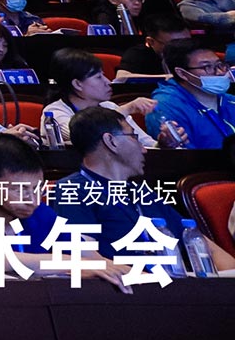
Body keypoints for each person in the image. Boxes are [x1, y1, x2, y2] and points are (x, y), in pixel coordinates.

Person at [53, 105, 235, 275]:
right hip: (127, 295)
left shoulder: (142, 192)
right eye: (134, 137)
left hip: (174, 288)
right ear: (111, 141)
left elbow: (200, 243)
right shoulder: (73, 190)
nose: (144, 149)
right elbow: (84, 261)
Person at [0, 132, 126, 283]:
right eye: (19, 190)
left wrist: (138, 276)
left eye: (37, 188)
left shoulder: (39, 211)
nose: (32, 200)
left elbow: (93, 259)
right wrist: (71, 264)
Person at [40, 49, 154, 149]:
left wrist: (163, 143)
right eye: (99, 77)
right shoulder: (54, 113)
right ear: (77, 84)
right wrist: (126, 109)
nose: (108, 82)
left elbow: (147, 144)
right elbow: (85, 136)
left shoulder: (109, 106)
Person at [145, 39, 235, 150]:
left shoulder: (230, 100)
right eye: (207, 67)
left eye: (219, 65)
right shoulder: (164, 107)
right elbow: (183, 158)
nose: (220, 72)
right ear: (182, 73)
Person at [117, 11, 190, 77]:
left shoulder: (194, 52)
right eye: (174, 44)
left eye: (186, 42)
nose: (181, 48)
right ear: (151, 41)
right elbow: (121, 77)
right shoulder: (136, 54)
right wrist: (166, 78)